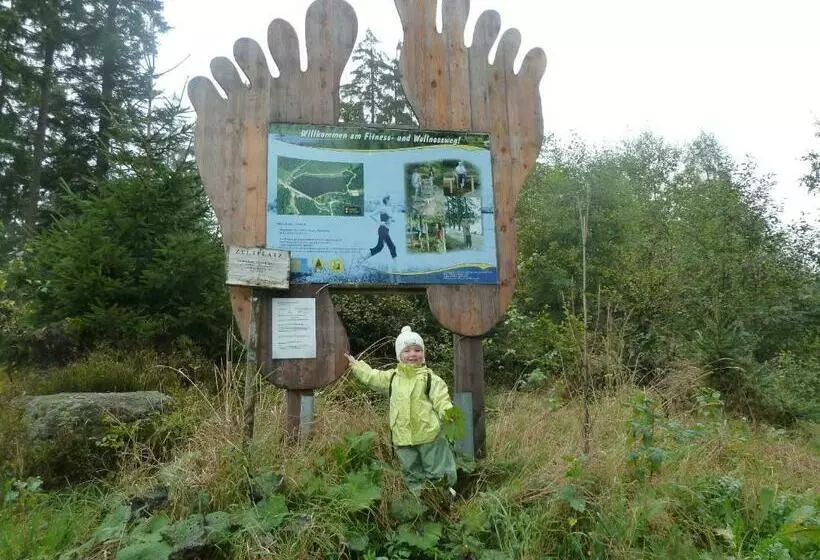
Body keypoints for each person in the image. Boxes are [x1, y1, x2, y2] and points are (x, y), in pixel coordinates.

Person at [345, 326, 458, 495]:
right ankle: (420, 503)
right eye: (407, 351)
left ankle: (444, 499)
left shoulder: (430, 379)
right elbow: (372, 376)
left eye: (418, 350)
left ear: (423, 354)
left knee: (438, 471)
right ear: (399, 355)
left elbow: (442, 400)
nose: (413, 354)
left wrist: (451, 416)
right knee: (412, 474)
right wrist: (357, 365)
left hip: (430, 436)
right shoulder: (391, 378)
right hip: (402, 439)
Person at [365, 195, 397, 260]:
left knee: (379, 247)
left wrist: (393, 214)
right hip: (383, 230)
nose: (391, 201)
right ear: (387, 200)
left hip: (385, 230)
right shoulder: (383, 208)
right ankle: (396, 264)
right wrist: (379, 222)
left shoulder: (389, 209)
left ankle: (363, 258)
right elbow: (371, 215)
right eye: (390, 200)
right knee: (392, 247)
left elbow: (392, 220)